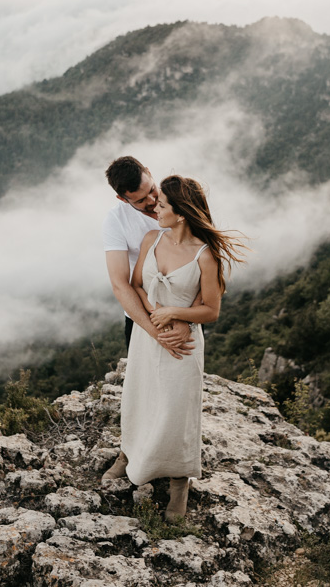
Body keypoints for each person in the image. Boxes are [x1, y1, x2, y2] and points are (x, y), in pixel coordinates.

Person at [104, 174, 247, 522]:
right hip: (148, 336)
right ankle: (129, 454)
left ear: (180, 213)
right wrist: (157, 319)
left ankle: (180, 482)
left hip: (182, 344)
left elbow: (211, 310)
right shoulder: (152, 238)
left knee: (177, 410)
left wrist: (177, 315)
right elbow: (136, 285)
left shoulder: (205, 255)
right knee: (139, 396)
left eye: (162, 205)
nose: (155, 208)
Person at [102, 157, 195, 354]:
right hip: (143, 316)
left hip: (187, 312)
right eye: (141, 200)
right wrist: (157, 334)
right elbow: (120, 284)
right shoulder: (116, 220)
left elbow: (207, 262)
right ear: (122, 199)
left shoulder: (181, 199)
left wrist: (187, 319)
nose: (152, 201)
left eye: (152, 190)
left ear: (149, 172)